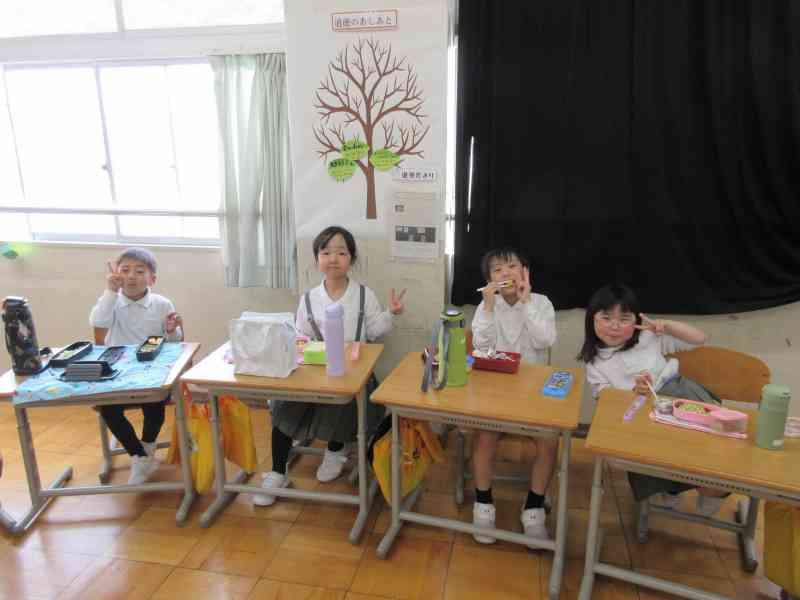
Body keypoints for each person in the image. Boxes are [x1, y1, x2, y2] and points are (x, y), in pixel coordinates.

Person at [254, 226, 405, 506]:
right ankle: (277, 471)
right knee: (285, 404)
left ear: (351, 258)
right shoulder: (309, 298)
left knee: (344, 400)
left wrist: (391, 314)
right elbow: (300, 337)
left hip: (354, 374)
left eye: (341, 252)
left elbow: (373, 331)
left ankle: (335, 450)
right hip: (314, 373)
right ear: (317, 259)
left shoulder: (364, 295)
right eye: (325, 252)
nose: (333, 258)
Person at [577, 283, 728, 515]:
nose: (614, 326)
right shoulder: (595, 362)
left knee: (710, 450)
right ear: (592, 319)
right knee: (654, 453)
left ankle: (709, 490)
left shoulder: (648, 337)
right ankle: (670, 489)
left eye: (624, 319)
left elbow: (700, 338)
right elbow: (606, 401)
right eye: (606, 318)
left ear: (636, 321)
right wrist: (634, 392)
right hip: (639, 413)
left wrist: (665, 325)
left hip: (680, 396)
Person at [470, 247, 557, 544]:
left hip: (533, 394)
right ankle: (483, 504)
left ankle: (534, 508)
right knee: (484, 436)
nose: (505, 273)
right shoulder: (486, 306)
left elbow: (545, 340)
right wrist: (488, 307)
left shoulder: (541, 302)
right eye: (497, 269)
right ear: (489, 279)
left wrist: (526, 301)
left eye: (512, 266)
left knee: (549, 440)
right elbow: (481, 347)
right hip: (496, 391)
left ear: (525, 272)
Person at [89, 248, 183, 485]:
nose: (131, 276)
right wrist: (110, 291)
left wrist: (172, 331)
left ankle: (147, 446)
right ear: (116, 274)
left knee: (154, 403)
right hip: (118, 372)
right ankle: (139, 454)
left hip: (152, 371)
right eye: (125, 270)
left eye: (140, 271)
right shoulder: (111, 301)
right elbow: (98, 322)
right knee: (108, 408)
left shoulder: (162, 304)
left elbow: (175, 343)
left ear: (152, 279)